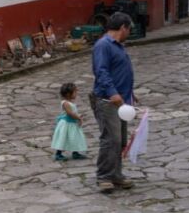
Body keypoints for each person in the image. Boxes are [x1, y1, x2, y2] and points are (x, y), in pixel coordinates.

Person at [90, 13, 135, 193]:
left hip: (121, 100)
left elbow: (118, 71)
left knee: (121, 140)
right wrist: (112, 92)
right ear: (123, 27)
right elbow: (101, 72)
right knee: (111, 139)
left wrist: (130, 92)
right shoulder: (103, 46)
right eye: (129, 29)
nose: (129, 33)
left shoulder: (118, 46)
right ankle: (104, 176)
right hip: (108, 100)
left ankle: (116, 173)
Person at [50, 82, 87, 162]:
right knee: (63, 138)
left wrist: (78, 116)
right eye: (75, 92)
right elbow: (70, 113)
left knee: (74, 138)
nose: (76, 94)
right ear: (68, 94)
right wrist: (79, 118)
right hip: (66, 124)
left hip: (72, 124)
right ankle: (58, 154)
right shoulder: (66, 103)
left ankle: (75, 152)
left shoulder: (70, 102)